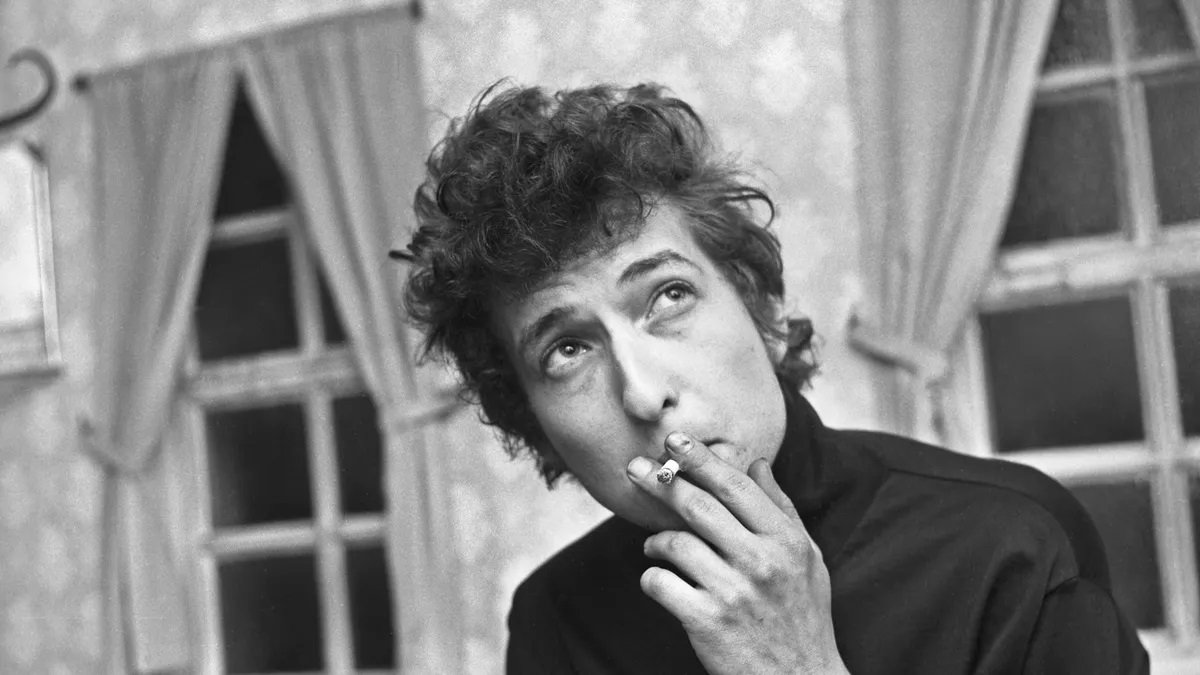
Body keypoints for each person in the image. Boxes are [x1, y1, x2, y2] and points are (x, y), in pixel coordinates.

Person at [396, 82, 1149, 674]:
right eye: (567, 350)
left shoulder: (1013, 543)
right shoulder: (556, 619)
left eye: (668, 296)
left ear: (763, 308)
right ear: (534, 421)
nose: (644, 393)